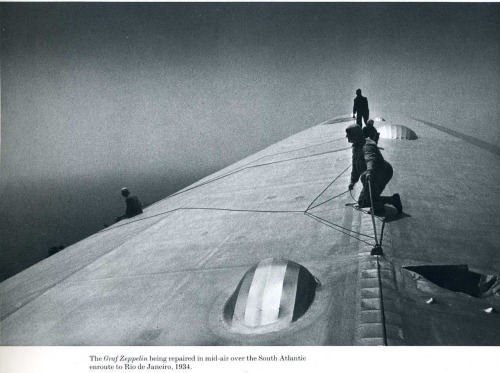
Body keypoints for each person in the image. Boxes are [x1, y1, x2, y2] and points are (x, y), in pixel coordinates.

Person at [346, 124, 402, 215]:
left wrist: (369, 171)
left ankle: (378, 209)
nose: (346, 136)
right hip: (373, 174)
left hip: (382, 172)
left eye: (348, 134)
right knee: (362, 202)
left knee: (365, 180)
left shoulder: (367, 146)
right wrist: (352, 181)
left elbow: (370, 159)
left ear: (355, 135)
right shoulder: (355, 148)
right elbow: (355, 166)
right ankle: (393, 200)